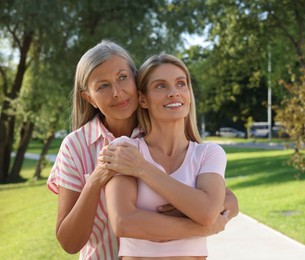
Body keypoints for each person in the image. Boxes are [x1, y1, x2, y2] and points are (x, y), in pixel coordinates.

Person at [47, 40, 238, 259]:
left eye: (122, 78)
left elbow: (227, 199)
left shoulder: (160, 129)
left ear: (136, 82)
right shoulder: (76, 146)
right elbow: (70, 242)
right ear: (89, 98)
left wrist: (192, 211)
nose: (117, 92)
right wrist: (98, 177)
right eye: (103, 86)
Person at [101, 54, 232, 259]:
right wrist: (198, 227)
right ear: (143, 99)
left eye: (181, 84)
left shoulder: (209, 154)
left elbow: (207, 211)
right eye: (161, 86)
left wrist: (143, 169)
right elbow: (124, 222)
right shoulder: (124, 149)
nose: (173, 93)